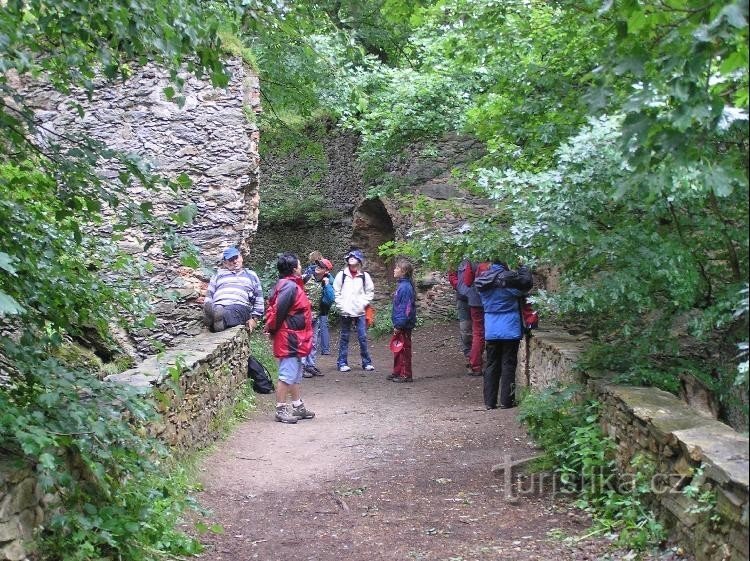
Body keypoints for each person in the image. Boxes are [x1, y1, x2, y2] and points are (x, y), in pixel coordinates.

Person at [264, 253, 316, 424]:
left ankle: (298, 406)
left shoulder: (290, 285)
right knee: (287, 375)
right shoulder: (289, 287)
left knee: (293, 374)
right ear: (294, 269)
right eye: (299, 265)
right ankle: (280, 409)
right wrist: (272, 330)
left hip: (294, 336)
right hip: (289, 337)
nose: (301, 267)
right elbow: (278, 312)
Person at [475, 261, 529, 409]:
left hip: (491, 329)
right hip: (510, 329)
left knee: (491, 364)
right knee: (508, 364)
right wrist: (522, 267)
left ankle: (489, 402)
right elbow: (523, 288)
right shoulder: (508, 283)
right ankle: (506, 401)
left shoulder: (483, 282)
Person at [203, 246, 264, 333]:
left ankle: (216, 320)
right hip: (218, 305)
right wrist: (207, 304)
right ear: (225, 263)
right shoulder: (217, 275)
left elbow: (259, 298)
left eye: (236, 258)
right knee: (217, 309)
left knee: (229, 311)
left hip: (239, 305)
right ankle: (217, 322)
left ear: (241, 257)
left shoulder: (251, 275)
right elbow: (210, 294)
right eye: (231, 260)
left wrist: (255, 318)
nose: (235, 261)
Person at [333, 248, 375, 372]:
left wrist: (363, 303)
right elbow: (337, 291)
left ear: (359, 261)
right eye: (350, 257)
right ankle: (342, 363)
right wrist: (341, 305)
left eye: (354, 257)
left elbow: (369, 292)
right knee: (344, 337)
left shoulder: (364, 276)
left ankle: (366, 362)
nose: (352, 259)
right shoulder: (341, 275)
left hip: (360, 312)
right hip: (346, 312)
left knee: (362, 337)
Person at [301, 257, 335, 377]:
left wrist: (326, 285)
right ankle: (302, 367)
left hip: (317, 315)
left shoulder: (328, 281)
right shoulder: (306, 277)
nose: (318, 267)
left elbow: (331, 299)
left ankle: (310, 365)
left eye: (321, 266)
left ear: (326, 271)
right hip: (303, 315)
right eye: (317, 265)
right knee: (304, 340)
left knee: (313, 342)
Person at [388, 258, 417, 383]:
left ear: (403, 271)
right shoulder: (402, 285)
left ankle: (406, 374)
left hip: (404, 324)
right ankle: (398, 371)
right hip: (401, 323)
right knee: (398, 348)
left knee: (404, 349)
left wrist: (399, 324)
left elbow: (405, 309)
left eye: (397, 268)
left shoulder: (405, 288)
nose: (394, 270)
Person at [464, 260, 491, 376]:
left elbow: (467, 281)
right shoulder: (497, 258)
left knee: (478, 333)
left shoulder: (473, 261)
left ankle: (475, 365)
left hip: (476, 301)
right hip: (491, 300)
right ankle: (492, 365)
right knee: (490, 331)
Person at [448, 258, 473, 370]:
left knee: (478, 329)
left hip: (477, 298)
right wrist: (459, 285)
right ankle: (469, 355)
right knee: (465, 328)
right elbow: (452, 275)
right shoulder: (456, 257)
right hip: (463, 299)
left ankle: (476, 355)